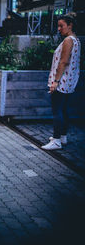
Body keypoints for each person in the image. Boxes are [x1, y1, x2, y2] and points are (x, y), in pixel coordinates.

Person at [41, 13, 81, 150]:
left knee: (57, 110)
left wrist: (55, 81)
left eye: (61, 26)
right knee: (64, 109)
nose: (59, 28)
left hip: (62, 81)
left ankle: (56, 141)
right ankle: (62, 137)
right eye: (58, 26)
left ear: (70, 26)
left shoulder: (68, 41)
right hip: (69, 81)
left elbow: (63, 62)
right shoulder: (76, 40)